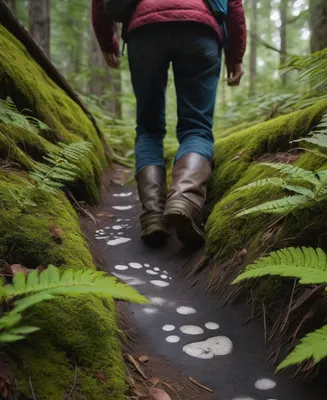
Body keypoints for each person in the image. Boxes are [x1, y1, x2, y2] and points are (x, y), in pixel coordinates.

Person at [91, 0, 246, 247]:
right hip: (200, 29)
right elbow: (234, 5)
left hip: (145, 30)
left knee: (148, 128)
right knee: (196, 127)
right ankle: (185, 198)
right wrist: (235, 55)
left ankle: (153, 214)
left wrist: (106, 41)